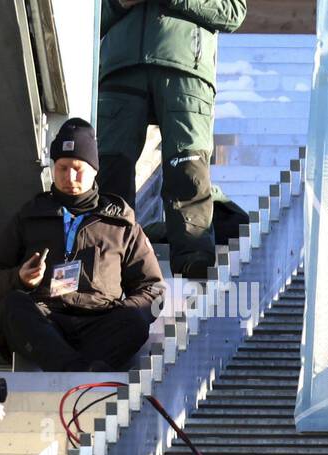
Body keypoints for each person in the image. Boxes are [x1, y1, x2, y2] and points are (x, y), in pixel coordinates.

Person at [96, 0, 247, 280]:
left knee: (187, 164)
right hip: (120, 69)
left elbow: (233, 12)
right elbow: (89, 19)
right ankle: (107, 256)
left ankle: (194, 257)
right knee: (111, 167)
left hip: (186, 70)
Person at [0, 119, 163, 372]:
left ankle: (74, 367)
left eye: (78, 168)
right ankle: (80, 369)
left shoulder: (120, 222)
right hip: (47, 321)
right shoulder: (29, 215)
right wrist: (19, 279)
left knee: (134, 321)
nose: (69, 177)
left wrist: (122, 309)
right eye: (62, 168)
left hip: (100, 322)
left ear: (95, 170)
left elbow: (152, 288)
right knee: (14, 306)